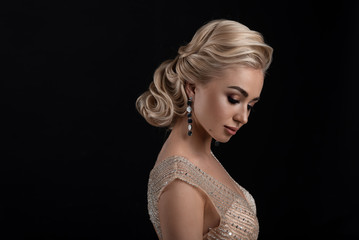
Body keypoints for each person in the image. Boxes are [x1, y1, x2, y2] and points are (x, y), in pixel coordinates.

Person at [136, 19, 273, 240]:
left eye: (250, 106)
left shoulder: (201, 156)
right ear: (192, 87)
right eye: (234, 99)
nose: (243, 117)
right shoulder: (179, 180)